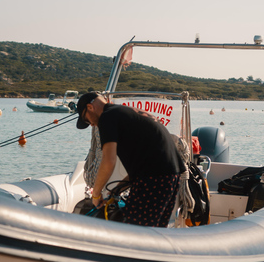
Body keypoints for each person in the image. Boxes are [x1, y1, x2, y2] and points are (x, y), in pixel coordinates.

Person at [75, 92, 183, 227]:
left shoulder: (106, 117)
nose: (90, 124)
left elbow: (109, 161)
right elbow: (147, 156)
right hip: (171, 175)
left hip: (154, 177)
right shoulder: (124, 112)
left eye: (86, 120)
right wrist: (121, 186)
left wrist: (96, 195)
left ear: (90, 107)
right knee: (155, 231)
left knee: (135, 230)